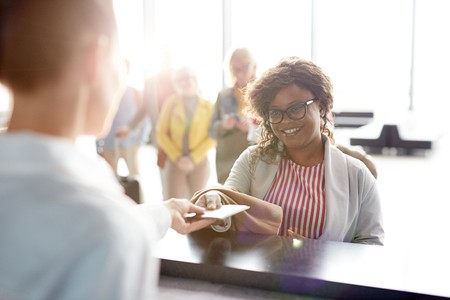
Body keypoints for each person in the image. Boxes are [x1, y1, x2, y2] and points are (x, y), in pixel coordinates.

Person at [0, 1, 214, 299]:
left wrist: (163, 212)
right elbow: (100, 229)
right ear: (94, 58)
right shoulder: (109, 232)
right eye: (120, 61)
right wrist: (129, 226)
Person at [196, 57, 384, 245]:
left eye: (296, 108)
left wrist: (320, 253)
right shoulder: (252, 160)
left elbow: (372, 244)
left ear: (320, 106)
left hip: (322, 275)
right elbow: (230, 196)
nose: (285, 121)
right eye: (276, 113)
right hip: (260, 274)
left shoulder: (357, 175)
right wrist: (215, 198)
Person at [156, 66, 216, 199]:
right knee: (174, 203)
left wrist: (193, 158)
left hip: (199, 162)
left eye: (189, 77)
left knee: (198, 203)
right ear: (176, 83)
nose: (186, 82)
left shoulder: (208, 106)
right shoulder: (170, 103)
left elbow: (213, 136)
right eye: (181, 79)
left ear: (196, 79)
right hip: (175, 161)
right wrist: (177, 157)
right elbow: (161, 133)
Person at [209, 47, 258, 184]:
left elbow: (273, 132)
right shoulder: (223, 96)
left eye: (245, 67)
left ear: (253, 66)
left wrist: (251, 130)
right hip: (227, 165)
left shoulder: (262, 95)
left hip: (254, 163)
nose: (241, 73)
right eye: (236, 69)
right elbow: (212, 131)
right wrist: (224, 126)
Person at [96, 58, 151, 176]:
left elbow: (145, 118)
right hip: (108, 144)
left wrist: (140, 141)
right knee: (109, 179)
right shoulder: (104, 93)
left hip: (130, 144)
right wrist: (98, 147)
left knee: (135, 179)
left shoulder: (135, 93)